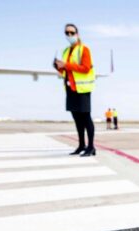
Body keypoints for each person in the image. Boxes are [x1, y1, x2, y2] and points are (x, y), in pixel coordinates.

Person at [54, 23, 96, 157]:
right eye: (67, 33)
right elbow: (66, 69)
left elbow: (86, 68)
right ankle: (81, 145)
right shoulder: (66, 51)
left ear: (77, 33)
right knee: (77, 119)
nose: (70, 35)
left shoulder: (84, 49)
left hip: (82, 88)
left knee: (86, 118)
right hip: (70, 87)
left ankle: (91, 147)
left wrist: (66, 64)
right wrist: (58, 66)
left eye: (72, 32)